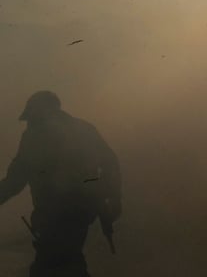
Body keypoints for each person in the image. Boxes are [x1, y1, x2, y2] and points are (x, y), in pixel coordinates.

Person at [0, 90, 122, 277]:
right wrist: (110, 197)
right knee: (66, 264)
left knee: (53, 266)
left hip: (53, 215)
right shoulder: (83, 129)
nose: (29, 122)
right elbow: (109, 164)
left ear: (38, 112)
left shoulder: (34, 137)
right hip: (80, 212)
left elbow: (16, 179)